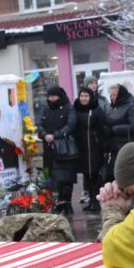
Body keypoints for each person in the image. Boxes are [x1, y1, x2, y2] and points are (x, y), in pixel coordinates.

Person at [37, 86, 77, 215]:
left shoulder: (68, 107)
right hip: (49, 150)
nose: (51, 99)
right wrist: (45, 135)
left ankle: (67, 203)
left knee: (66, 178)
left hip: (63, 149)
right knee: (52, 178)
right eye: (50, 96)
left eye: (54, 96)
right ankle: (57, 202)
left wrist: (56, 135)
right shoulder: (46, 109)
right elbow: (40, 125)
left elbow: (71, 124)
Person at [73, 87, 107, 212]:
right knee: (86, 175)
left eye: (86, 96)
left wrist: (104, 146)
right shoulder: (75, 109)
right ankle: (91, 201)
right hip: (81, 147)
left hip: (94, 147)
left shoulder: (96, 110)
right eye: (82, 95)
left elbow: (104, 128)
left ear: (91, 97)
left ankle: (97, 201)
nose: (83, 98)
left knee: (95, 174)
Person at [106, 83, 134, 170]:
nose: (112, 98)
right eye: (111, 95)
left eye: (114, 95)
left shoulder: (132, 106)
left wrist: (114, 129)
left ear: (121, 95)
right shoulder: (112, 108)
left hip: (129, 147)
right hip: (115, 148)